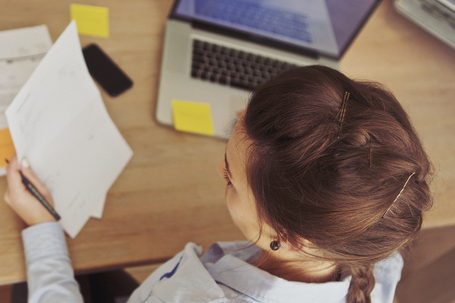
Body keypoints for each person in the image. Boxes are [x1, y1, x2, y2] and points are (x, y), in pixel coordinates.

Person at [5, 65, 433, 303]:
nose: (218, 172)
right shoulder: (372, 235)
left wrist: (43, 232)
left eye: (231, 178)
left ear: (287, 235)